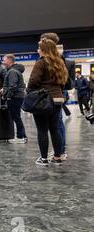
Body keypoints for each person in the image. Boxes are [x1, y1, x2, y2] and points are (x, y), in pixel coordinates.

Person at [27, 39, 68, 166]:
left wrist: (29, 91)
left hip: (44, 100)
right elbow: (63, 82)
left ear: (44, 49)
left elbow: (34, 81)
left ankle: (44, 159)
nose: (37, 50)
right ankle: (57, 157)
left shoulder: (41, 62)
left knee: (42, 130)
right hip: (58, 99)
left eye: (39, 48)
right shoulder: (60, 62)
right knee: (55, 129)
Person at [40, 32, 74, 160]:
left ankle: (61, 151)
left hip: (56, 92)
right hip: (57, 92)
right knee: (56, 124)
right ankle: (58, 150)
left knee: (57, 124)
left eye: (43, 40)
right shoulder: (55, 57)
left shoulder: (56, 58)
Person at [1, 54, 27, 143]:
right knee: (17, 117)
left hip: (14, 97)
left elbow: (13, 86)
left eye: (4, 60)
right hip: (17, 96)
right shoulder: (13, 71)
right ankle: (23, 136)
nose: (3, 61)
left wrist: (8, 96)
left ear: (9, 60)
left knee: (16, 117)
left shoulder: (12, 71)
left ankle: (20, 137)